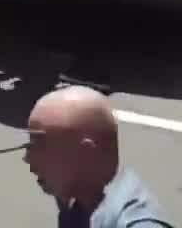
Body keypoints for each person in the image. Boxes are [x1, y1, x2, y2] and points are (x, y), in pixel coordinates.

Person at [26, 86, 173, 228]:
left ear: (85, 155)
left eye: (41, 147)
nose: (28, 159)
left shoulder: (137, 223)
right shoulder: (75, 192)